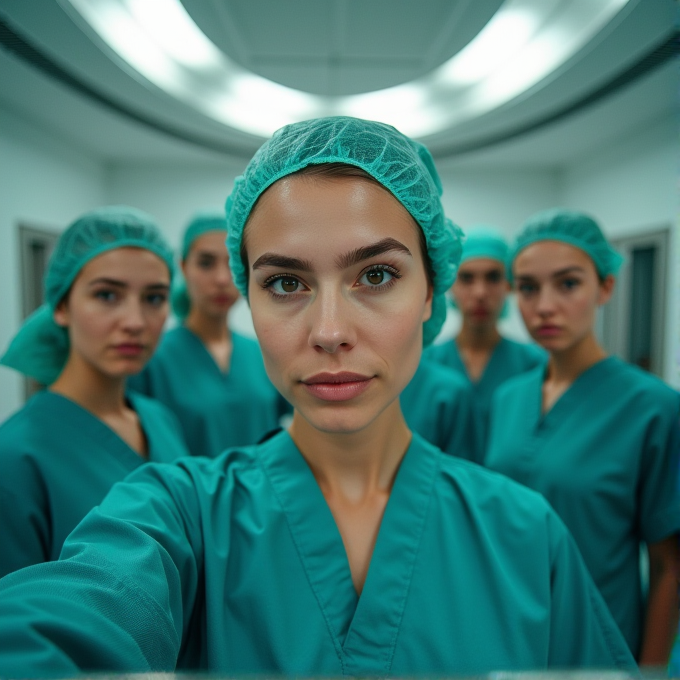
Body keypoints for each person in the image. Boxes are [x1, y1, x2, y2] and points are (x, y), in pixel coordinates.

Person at [0, 119, 635, 677]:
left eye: (377, 275)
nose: (330, 332)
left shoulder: (526, 535)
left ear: (429, 293)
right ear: (248, 301)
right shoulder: (176, 512)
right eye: (285, 282)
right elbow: (75, 612)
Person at [485, 208, 680, 664]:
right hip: (508, 634)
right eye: (529, 288)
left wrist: (647, 674)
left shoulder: (653, 407)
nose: (545, 306)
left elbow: (670, 565)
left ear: (605, 287)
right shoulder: (508, 398)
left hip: (600, 643)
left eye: (568, 284)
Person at [0, 206, 190, 578]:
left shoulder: (159, 419)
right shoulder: (16, 456)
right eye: (107, 295)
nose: (135, 322)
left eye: (154, 298)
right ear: (61, 306)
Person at [128, 211, 287, 457]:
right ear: (183, 267)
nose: (222, 279)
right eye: (206, 263)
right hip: (187, 495)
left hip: (265, 493)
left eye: (232, 263)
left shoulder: (263, 352)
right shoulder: (152, 359)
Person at [426, 227, 544, 458]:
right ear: (450, 285)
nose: (480, 293)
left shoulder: (535, 364)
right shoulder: (425, 364)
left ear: (509, 285)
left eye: (493, 277)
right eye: (467, 278)